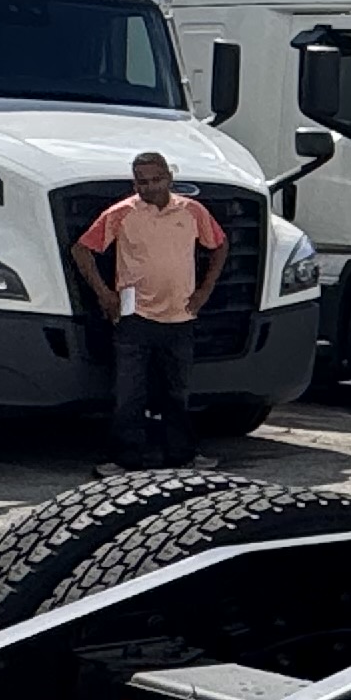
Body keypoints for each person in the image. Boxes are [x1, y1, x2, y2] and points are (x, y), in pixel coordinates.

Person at [70, 151, 226, 466]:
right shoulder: (122, 213)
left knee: (177, 392)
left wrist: (205, 291)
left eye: (156, 180)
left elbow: (219, 245)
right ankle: (125, 458)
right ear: (135, 183)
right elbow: (82, 249)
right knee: (129, 392)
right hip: (134, 316)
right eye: (143, 182)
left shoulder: (192, 211)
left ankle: (182, 454)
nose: (150, 187)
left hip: (180, 314)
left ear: (169, 177)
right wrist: (104, 294)